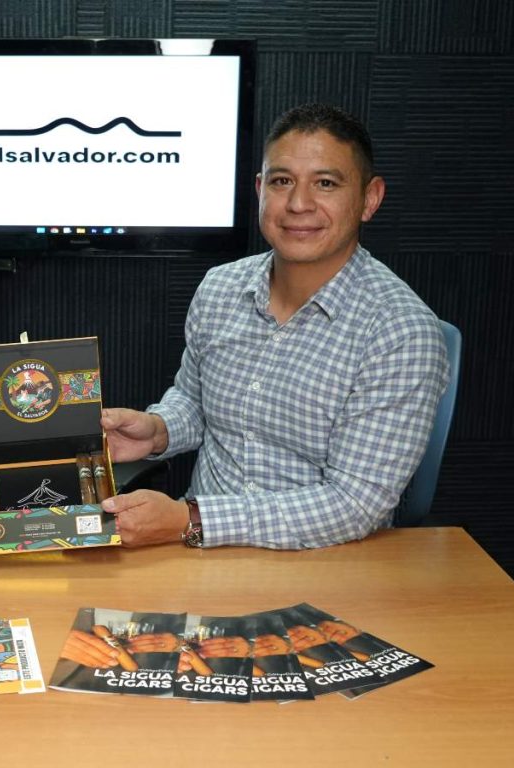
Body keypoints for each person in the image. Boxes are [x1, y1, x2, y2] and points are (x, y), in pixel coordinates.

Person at [102, 103, 449, 550]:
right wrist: (158, 431)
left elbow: (355, 504)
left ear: (369, 198)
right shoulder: (220, 288)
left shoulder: (400, 332)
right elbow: (194, 401)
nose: (298, 204)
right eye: (282, 181)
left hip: (326, 563)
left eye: (325, 183)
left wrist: (191, 518)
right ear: (260, 189)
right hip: (197, 549)